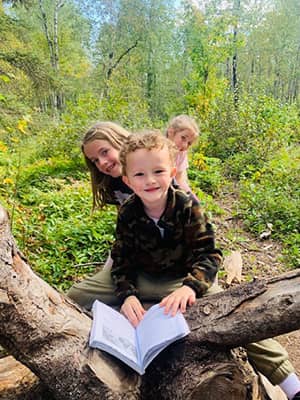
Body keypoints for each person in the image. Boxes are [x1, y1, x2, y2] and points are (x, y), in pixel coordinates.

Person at [74, 131, 300, 400]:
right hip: (145, 278)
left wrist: (191, 288)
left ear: (171, 171)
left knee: (237, 313)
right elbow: (121, 261)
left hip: (184, 277)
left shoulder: (187, 205)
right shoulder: (128, 212)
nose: (150, 181)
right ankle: (104, 333)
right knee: (76, 296)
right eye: (139, 175)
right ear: (127, 180)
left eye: (158, 171)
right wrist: (127, 295)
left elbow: (210, 254)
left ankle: (290, 384)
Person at [166, 114, 199, 196]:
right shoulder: (157, 149)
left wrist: (190, 196)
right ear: (171, 132)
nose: (185, 145)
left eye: (189, 143)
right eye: (183, 138)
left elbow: (179, 179)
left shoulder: (181, 154)